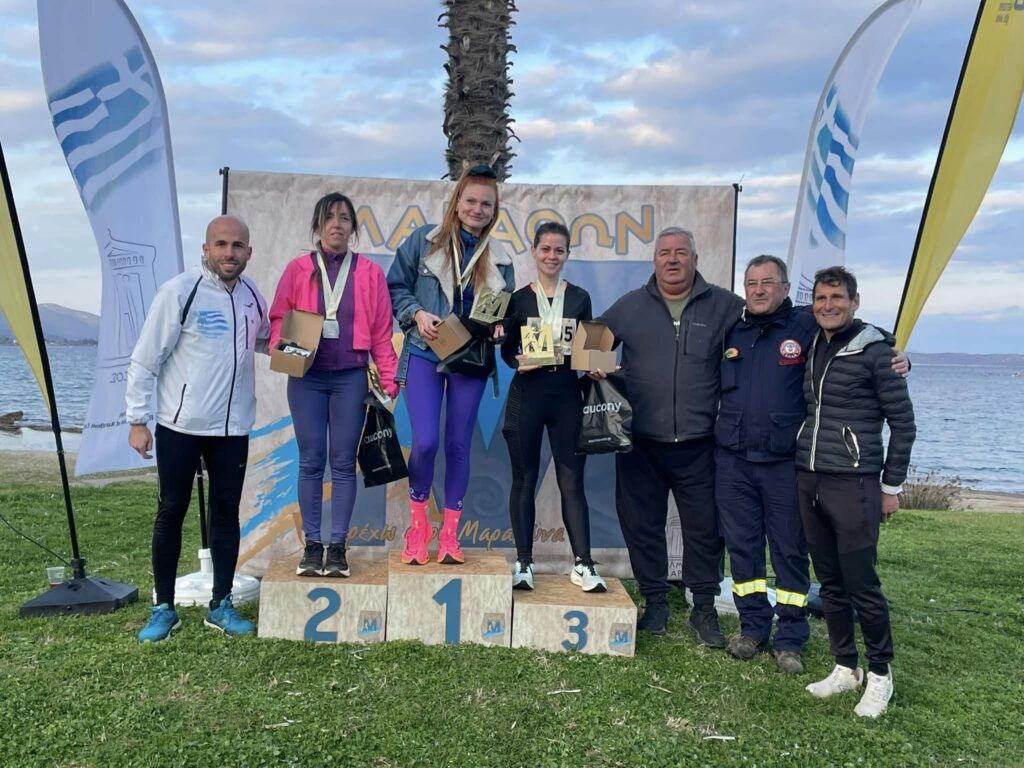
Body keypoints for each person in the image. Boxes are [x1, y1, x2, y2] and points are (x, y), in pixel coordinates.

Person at [716, 255, 909, 675]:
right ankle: (752, 628)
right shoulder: (730, 327)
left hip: (786, 463)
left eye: (769, 282)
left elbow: (857, 330)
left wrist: (895, 353)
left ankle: (790, 638)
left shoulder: (804, 323)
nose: (759, 290)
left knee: (789, 550)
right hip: (733, 461)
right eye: (752, 283)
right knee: (743, 551)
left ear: (786, 288)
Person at [596, 227, 743, 646]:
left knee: (705, 528)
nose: (673, 260)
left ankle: (704, 609)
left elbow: (776, 328)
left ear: (696, 259)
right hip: (640, 443)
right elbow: (589, 342)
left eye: (681, 252)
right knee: (642, 524)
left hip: (701, 443)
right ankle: (656, 601)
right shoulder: (630, 306)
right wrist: (593, 364)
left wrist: (881, 350)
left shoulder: (727, 306)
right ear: (655, 260)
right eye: (664, 253)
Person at [126, 215, 269, 643]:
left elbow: (265, 340)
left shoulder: (252, 296)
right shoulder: (179, 292)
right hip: (180, 426)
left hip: (233, 428)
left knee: (226, 513)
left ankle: (221, 603)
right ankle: (163, 608)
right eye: (221, 244)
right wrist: (137, 420)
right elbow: (145, 358)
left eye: (237, 245)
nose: (229, 253)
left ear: (249, 252)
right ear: (205, 249)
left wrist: (303, 343)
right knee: (171, 510)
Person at [795, 266, 916, 719]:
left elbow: (903, 425)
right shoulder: (814, 342)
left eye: (837, 298)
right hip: (810, 476)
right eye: (821, 298)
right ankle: (846, 665)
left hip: (856, 481)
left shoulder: (877, 352)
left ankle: (881, 673)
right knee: (829, 582)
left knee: (861, 584)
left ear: (855, 301)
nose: (828, 305)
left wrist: (891, 486)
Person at [386, 164, 514, 565]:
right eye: (471, 200)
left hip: (470, 358)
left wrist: (500, 329)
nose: (477, 209)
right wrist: (416, 313)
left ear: (494, 210)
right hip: (425, 351)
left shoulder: (501, 259)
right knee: (425, 442)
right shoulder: (424, 242)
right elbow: (396, 285)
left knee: (459, 444)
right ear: (457, 202)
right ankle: (418, 526)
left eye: (486, 204)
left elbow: (503, 313)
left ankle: (450, 534)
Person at [269, 192, 399, 578]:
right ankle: (312, 546)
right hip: (306, 379)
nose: (336, 225)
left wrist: (389, 379)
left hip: (349, 379)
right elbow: (279, 318)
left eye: (344, 218)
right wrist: (282, 348)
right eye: (328, 218)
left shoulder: (369, 273)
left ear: (353, 227)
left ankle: (338, 547)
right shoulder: (297, 269)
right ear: (317, 226)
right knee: (311, 460)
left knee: (343, 462)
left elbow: (382, 333)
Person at [500, 222, 606, 593]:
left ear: (567, 255)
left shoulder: (579, 297)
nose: (551, 256)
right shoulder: (517, 299)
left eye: (559, 250)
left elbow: (588, 349)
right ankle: (523, 562)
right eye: (545, 249)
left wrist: (594, 365)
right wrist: (517, 361)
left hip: (566, 396)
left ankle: (583, 564)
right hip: (527, 395)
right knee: (524, 479)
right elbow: (506, 351)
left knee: (572, 481)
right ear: (533, 251)